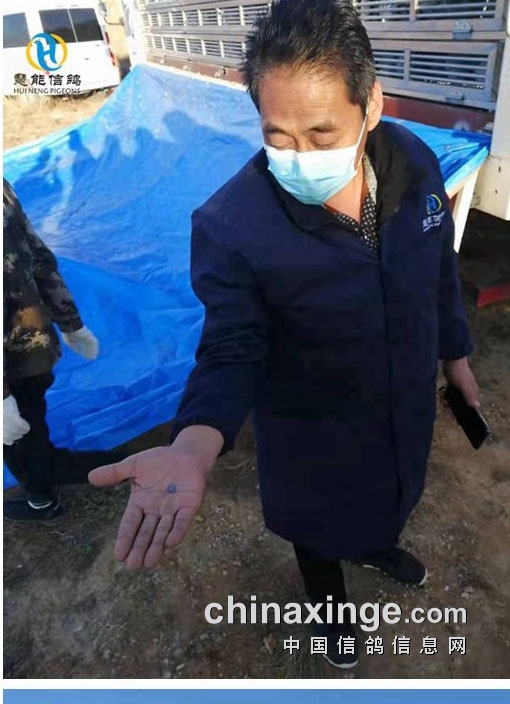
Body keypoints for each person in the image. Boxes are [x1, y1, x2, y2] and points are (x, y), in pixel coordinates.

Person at [89, 0, 481, 668]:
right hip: (312, 429)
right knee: (318, 523)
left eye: (322, 134)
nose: (300, 158)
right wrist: (194, 442)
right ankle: (331, 610)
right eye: (278, 136)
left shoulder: (414, 163)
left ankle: (377, 543)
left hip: (400, 401)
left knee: (392, 489)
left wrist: (455, 354)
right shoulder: (233, 227)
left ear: (371, 104)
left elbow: (437, 266)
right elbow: (231, 344)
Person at [3, 178, 125, 522]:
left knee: (19, 439)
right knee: (30, 424)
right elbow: (37, 255)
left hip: (14, 362)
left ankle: (42, 500)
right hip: (35, 346)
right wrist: (69, 320)